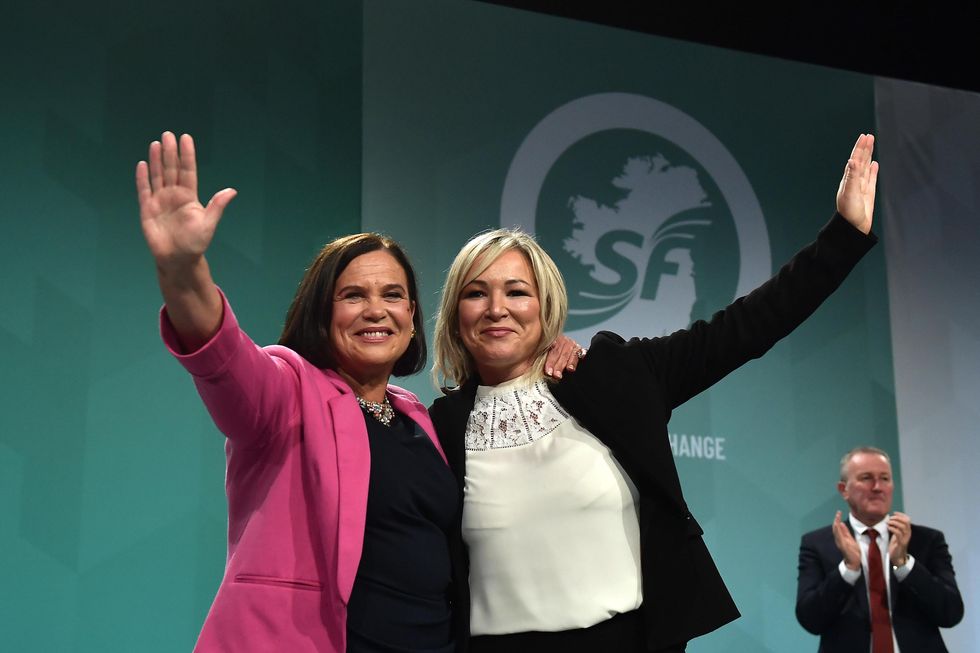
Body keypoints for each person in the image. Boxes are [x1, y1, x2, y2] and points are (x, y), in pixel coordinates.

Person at [428, 134, 882, 652]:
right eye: (476, 293)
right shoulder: (437, 427)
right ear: (456, 315)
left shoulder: (613, 375)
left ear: (546, 305)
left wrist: (843, 237)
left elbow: (746, 327)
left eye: (516, 291)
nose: (496, 308)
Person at [136, 131, 584, 652]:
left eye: (393, 295)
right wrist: (182, 270)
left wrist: (555, 351)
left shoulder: (421, 418)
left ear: (411, 317)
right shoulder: (287, 390)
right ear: (322, 313)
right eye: (353, 295)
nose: (376, 310)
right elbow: (222, 356)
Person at [796, 446, 964, 652]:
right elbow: (810, 620)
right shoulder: (818, 544)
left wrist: (904, 565)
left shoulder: (926, 540)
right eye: (866, 478)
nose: (877, 487)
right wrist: (848, 570)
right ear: (843, 489)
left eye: (885, 478)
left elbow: (951, 613)